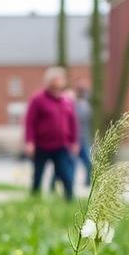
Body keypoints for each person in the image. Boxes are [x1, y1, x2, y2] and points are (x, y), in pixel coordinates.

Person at [24, 67, 77, 200]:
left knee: (66, 175)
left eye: (59, 83)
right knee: (38, 175)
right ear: (48, 83)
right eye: (53, 84)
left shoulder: (67, 101)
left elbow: (73, 123)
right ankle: (34, 198)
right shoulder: (38, 100)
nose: (56, 88)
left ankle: (69, 200)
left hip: (61, 146)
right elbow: (30, 122)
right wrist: (29, 142)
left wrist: (74, 141)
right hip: (42, 145)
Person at [74, 84, 93, 186]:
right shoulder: (80, 106)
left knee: (86, 162)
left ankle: (87, 182)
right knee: (69, 162)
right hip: (78, 139)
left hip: (83, 138)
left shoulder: (81, 105)